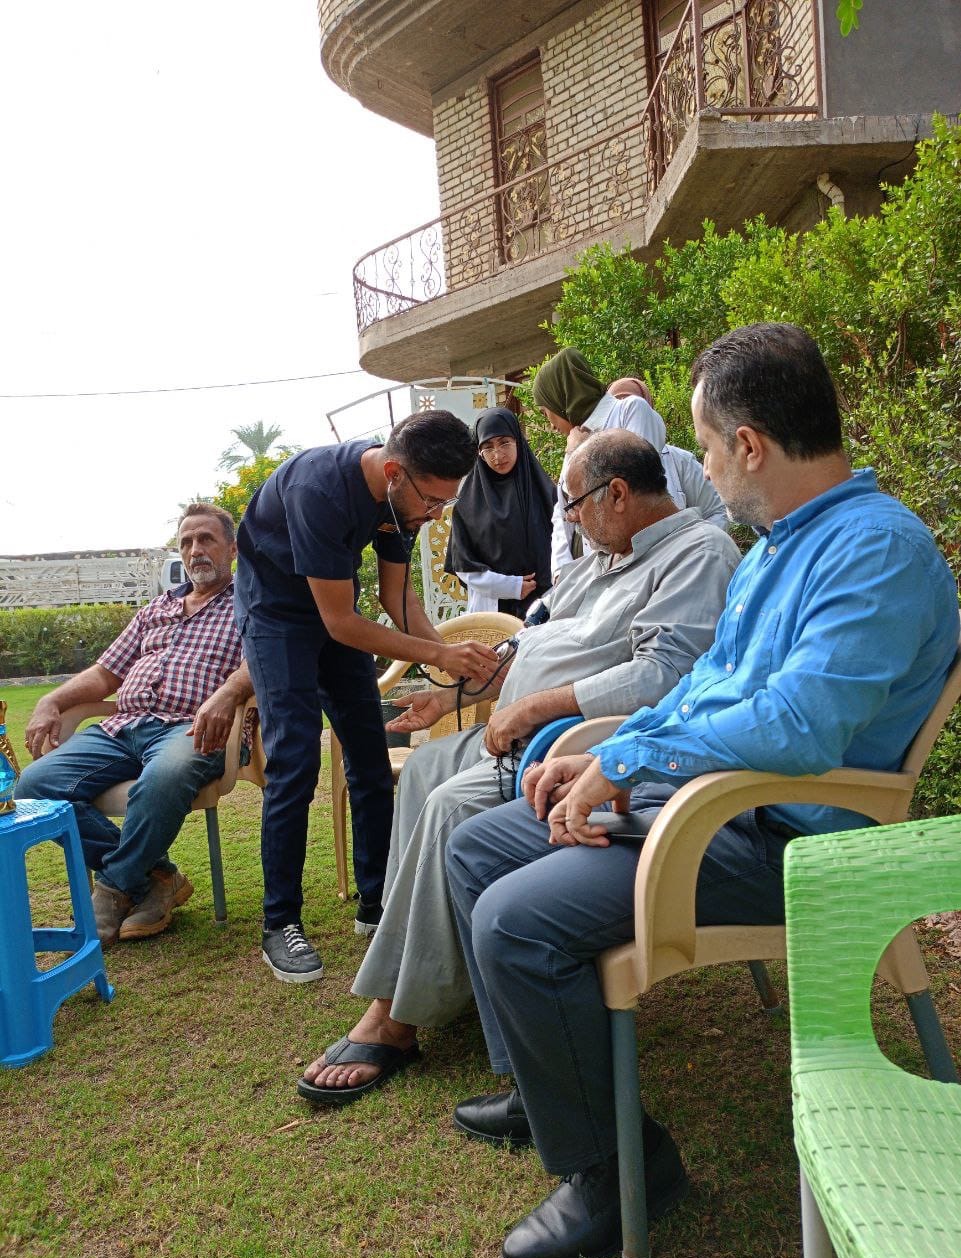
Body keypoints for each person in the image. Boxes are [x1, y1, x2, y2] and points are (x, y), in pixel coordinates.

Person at [444, 323, 959, 1258]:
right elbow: (701, 688)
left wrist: (632, 763)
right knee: (477, 845)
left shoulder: (875, 550)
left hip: (786, 842)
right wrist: (610, 749)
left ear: (749, 444)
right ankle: (545, 1083)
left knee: (516, 922)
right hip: (712, 805)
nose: (704, 470)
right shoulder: (771, 551)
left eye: (709, 449)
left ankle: (619, 1174)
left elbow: (800, 726)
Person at [297, 431, 740, 1104]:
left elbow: (664, 675)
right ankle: (437, 974)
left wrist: (534, 707)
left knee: (449, 804)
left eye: (574, 504)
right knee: (422, 774)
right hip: (520, 730)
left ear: (618, 494)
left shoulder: (697, 553)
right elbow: (532, 642)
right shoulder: (606, 559)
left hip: (572, 745)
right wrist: (450, 698)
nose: (570, 520)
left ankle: (394, 1016)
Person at [234, 411, 500, 984]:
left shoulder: (404, 499)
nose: (436, 514)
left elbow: (396, 600)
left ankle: (376, 901)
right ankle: (280, 923)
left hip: (337, 613)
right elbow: (339, 623)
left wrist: (449, 654)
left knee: (371, 760)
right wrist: (439, 656)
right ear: (394, 471)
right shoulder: (319, 491)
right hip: (278, 617)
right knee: (294, 762)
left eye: (446, 503)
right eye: (432, 501)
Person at [16, 504, 253, 947]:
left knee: (164, 776)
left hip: (194, 727)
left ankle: (111, 891)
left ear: (233, 548)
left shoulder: (251, 601)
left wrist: (226, 694)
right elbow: (105, 673)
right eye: (186, 542)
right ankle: (155, 878)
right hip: (123, 727)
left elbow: (264, 659)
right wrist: (52, 699)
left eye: (206, 539)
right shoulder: (156, 608)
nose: (195, 550)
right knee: (34, 786)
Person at [531, 346, 727, 575]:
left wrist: (696, 553)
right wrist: (561, 573)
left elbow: (631, 486)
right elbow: (563, 516)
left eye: (546, 412)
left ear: (562, 396)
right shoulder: (574, 443)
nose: (551, 425)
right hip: (605, 571)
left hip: (652, 566)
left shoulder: (630, 413)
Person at [443, 408, 554, 618]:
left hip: (549, 604)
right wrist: (512, 586)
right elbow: (464, 566)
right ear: (479, 452)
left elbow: (566, 547)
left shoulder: (546, 494)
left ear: (518, 441)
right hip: (494, 612)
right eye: (487, 447)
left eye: (504, 443)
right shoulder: (466, 506)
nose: (497, 455)